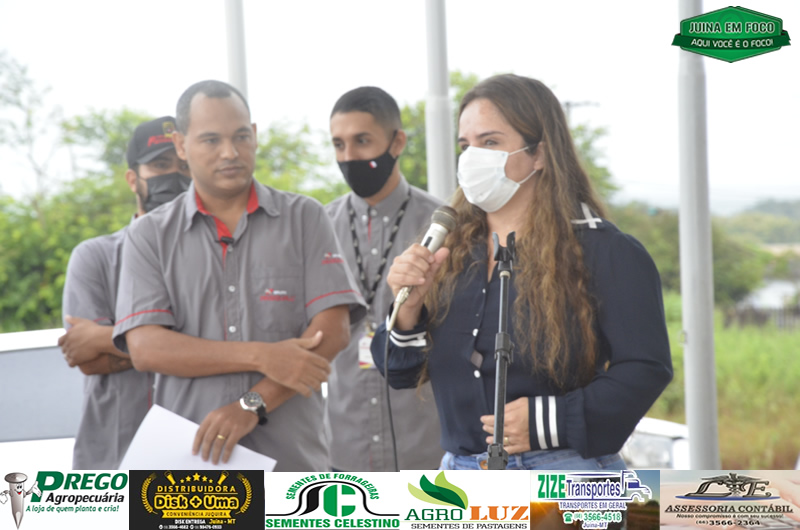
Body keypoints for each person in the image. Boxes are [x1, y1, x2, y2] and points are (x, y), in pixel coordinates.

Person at [372, 74, 672, 470]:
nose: (472, 158)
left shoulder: (605, 251)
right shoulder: (449, 251)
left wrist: (550, 422)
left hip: (564, 470)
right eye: (466, 145)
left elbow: (646, 369)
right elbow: (399, 373)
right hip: (460, 472)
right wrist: (407, 309)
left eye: (490, 142)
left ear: (540, 154)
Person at [111, 80, 365, 471]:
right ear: (181, 146)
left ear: (255, 136)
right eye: (211, 140)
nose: (230, 152)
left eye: (241, 137)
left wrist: (251, 405)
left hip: (292, 468)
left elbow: (332, 333)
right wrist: (263, 355)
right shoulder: (149, 235)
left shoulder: (304, 218)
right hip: (190, 472)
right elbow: (146, 349)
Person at [59, 115, 192, 469]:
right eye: (160, 165)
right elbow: (87, 358)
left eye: (184, 166)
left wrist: (110, 340)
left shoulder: (217, 257)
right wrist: (192, 350)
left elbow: (228, 344)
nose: (174, 175)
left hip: (197, 463)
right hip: (113, 461)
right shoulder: (96, 257)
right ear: (133, 179)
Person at [325, 86, 443, 471]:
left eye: (362, 141)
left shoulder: (443, 227)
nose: (349, 156)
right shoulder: (320, 229)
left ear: (397, 142)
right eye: (338, 144)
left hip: (426, 450)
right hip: (343, 451)